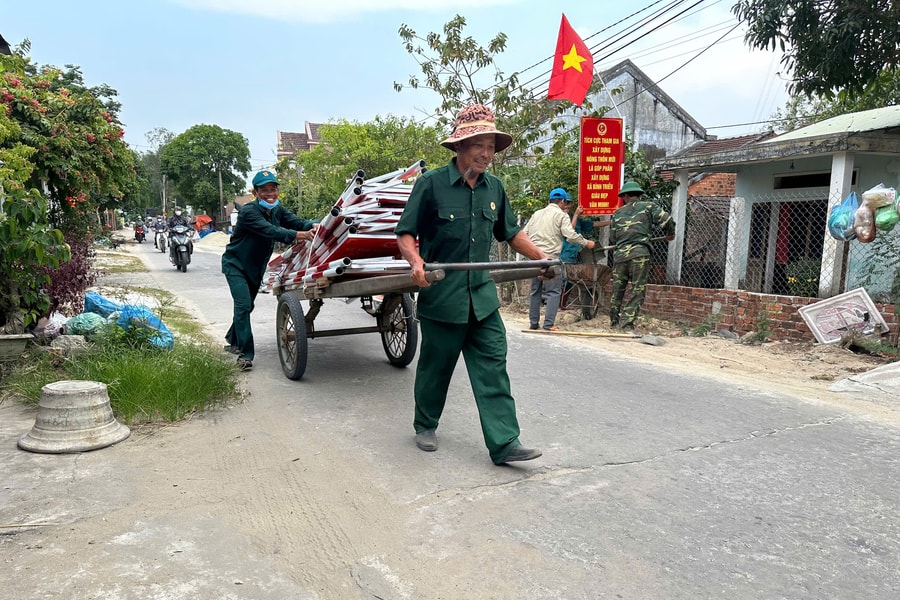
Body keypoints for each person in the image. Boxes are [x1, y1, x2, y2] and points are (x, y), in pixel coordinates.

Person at [396, 104, 549, 466]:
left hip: (482, 298)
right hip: (443, 297)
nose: (485, 154)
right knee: (436, 366)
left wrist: (541, 258)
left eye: (491, 147)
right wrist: (416, 262)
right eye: (479, 144)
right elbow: (405, 233)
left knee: (493, 365)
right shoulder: (431, 184)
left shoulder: (494, 188)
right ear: (460, 146)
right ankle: (425, 424)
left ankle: (504, 443)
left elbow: (510, 233)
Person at [221, 170, 319, 371]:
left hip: (256, 268)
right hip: (236, 265)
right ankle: (245, 355)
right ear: (256, 192)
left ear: (277, 190)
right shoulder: (249, 212)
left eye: (272, 189)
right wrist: (301, 235)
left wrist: (315, 225)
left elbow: (296, 221)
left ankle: (233, 339)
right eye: (264, 190)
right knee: (243, 305)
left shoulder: (277, 210)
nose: (269, 194)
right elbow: (272, 231)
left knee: (246, 307)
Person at [523, 188, 597, 330]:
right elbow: (570, 235)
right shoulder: (561, 215)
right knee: (553, 291)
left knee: (535, 291)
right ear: (562, 201)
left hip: (533, 258)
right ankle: (548, 324)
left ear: (549, 200)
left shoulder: (536, 214)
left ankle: (533, 323)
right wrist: (587, 243)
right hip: (551, 259)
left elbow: (524, 234)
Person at [608, 180, 675, 330]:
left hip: (620, 256)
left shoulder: (617, 213)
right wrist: (670, 233)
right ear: (639, 195)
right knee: (637, 290)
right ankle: (626, 324)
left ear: (624, 196)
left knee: (617, 288)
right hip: (640, 255)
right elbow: (667, 220)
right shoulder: (648, 206)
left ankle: (613, 321)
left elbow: (613, 238)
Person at [559, 204, 610, 309]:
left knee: (570, 280)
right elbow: (569, 232)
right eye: (565, 203)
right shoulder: (560, 218)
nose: (567, 206)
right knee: (562, 280)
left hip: (575, 254)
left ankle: (562, 304)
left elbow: (593, 224)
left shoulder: (577, 220)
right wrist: (576, 215)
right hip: (563, 253)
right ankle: (559, 304)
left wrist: (611, 222)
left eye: (569, 203)